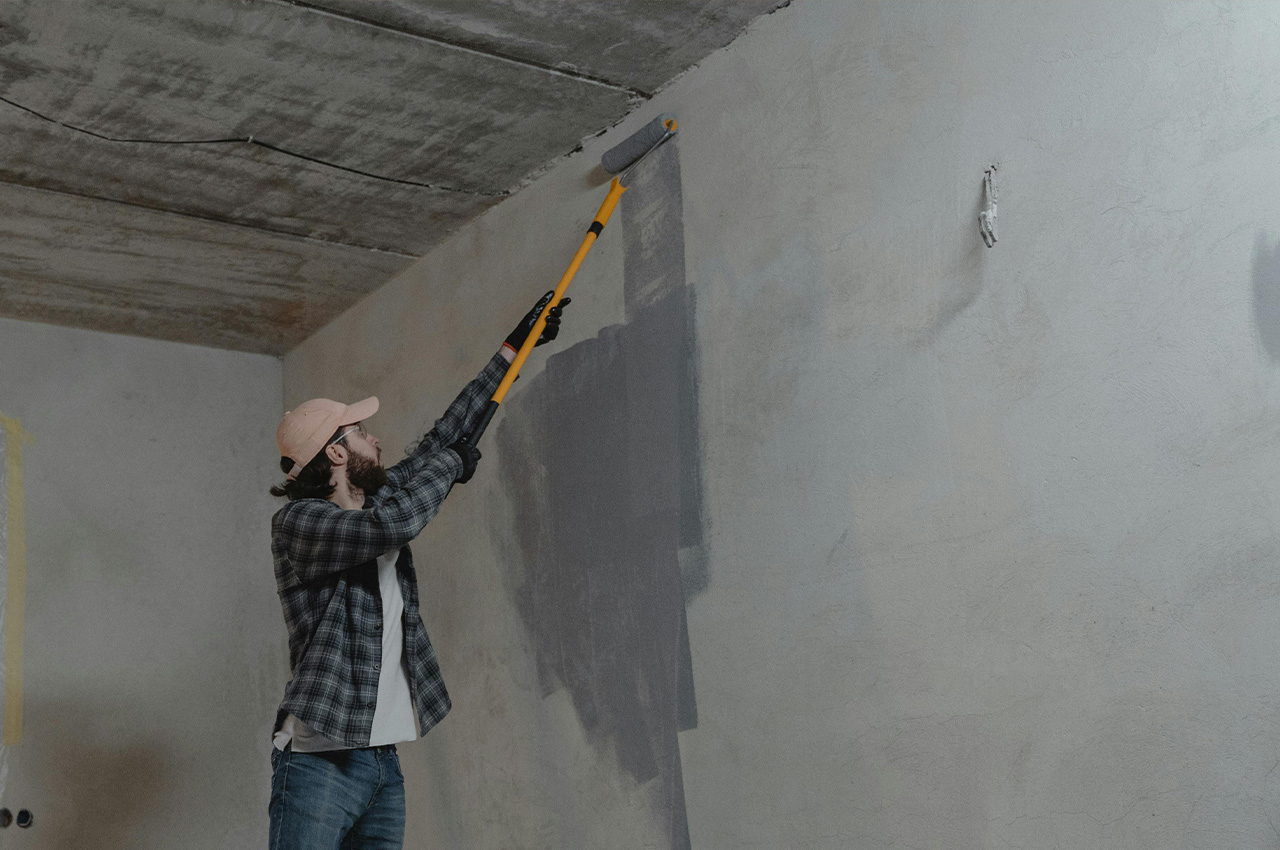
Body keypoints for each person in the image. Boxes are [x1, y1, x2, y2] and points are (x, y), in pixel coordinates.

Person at [265, 293, 568, 850]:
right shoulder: (302, 523)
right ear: (335, 453)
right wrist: (451, 466)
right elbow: (396, 526)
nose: (374, 438)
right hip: (317, 764)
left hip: (382, 764)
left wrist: (512, 351)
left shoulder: (378, 500)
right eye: (360, 432)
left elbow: (441, 444)